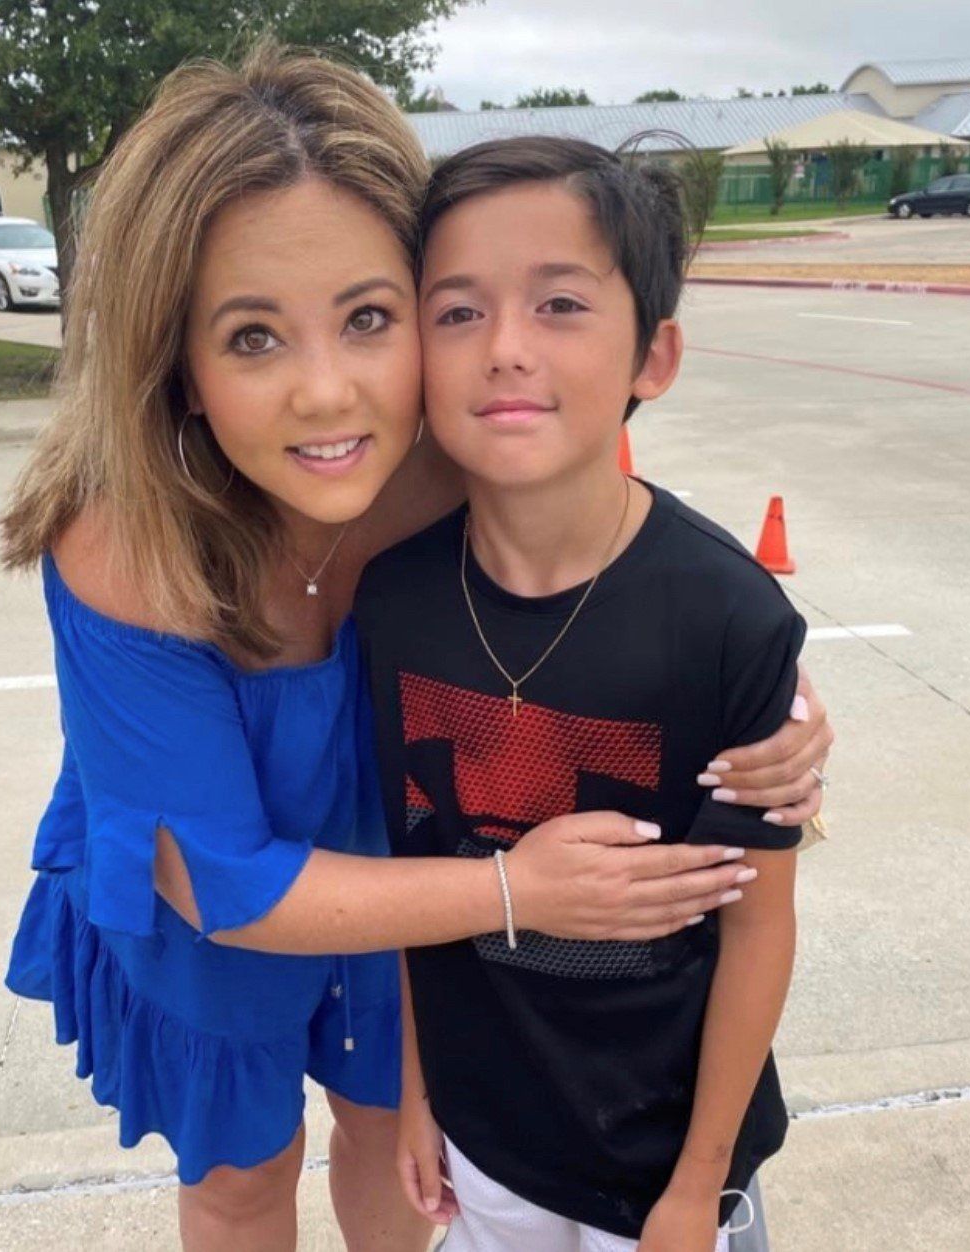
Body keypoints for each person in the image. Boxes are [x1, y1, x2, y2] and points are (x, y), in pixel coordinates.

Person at [0, 48, 832, 1252]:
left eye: (370, 318)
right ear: (171, 362)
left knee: (399, 1144)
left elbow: (625, 564)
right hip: (230, 882)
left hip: (418, 845)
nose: (329, 395)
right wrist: (514, 889)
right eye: (251, 338)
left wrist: (782, 710)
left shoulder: (449, 467)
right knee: (242, 1175)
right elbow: (212, 878)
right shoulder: (127, 539)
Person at [357, 136, 822, 1252]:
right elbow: (414, 874)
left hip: (667, 1161)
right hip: (486, 1139)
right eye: (457, 311)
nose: (505, 349)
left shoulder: (724, 615)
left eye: (560, 303)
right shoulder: (394, 601)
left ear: (651, 357)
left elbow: (757, 925)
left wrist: (697, 1187)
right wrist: (418, 1093)